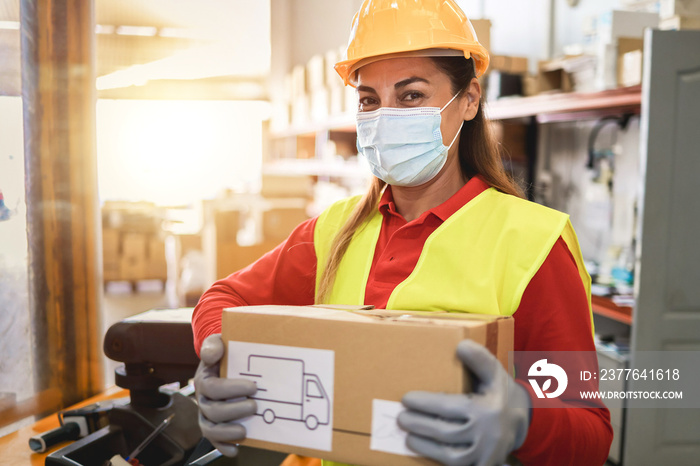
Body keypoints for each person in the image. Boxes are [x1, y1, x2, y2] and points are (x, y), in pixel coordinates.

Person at [192, 1, 613, 465]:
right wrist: (219, 360)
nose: (385, 116)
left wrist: (524, 421)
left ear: (469, 100)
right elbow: (222, 299)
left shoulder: (533, 243)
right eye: (369, 99)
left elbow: (590, 433)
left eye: (411, 95)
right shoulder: (335, 231)